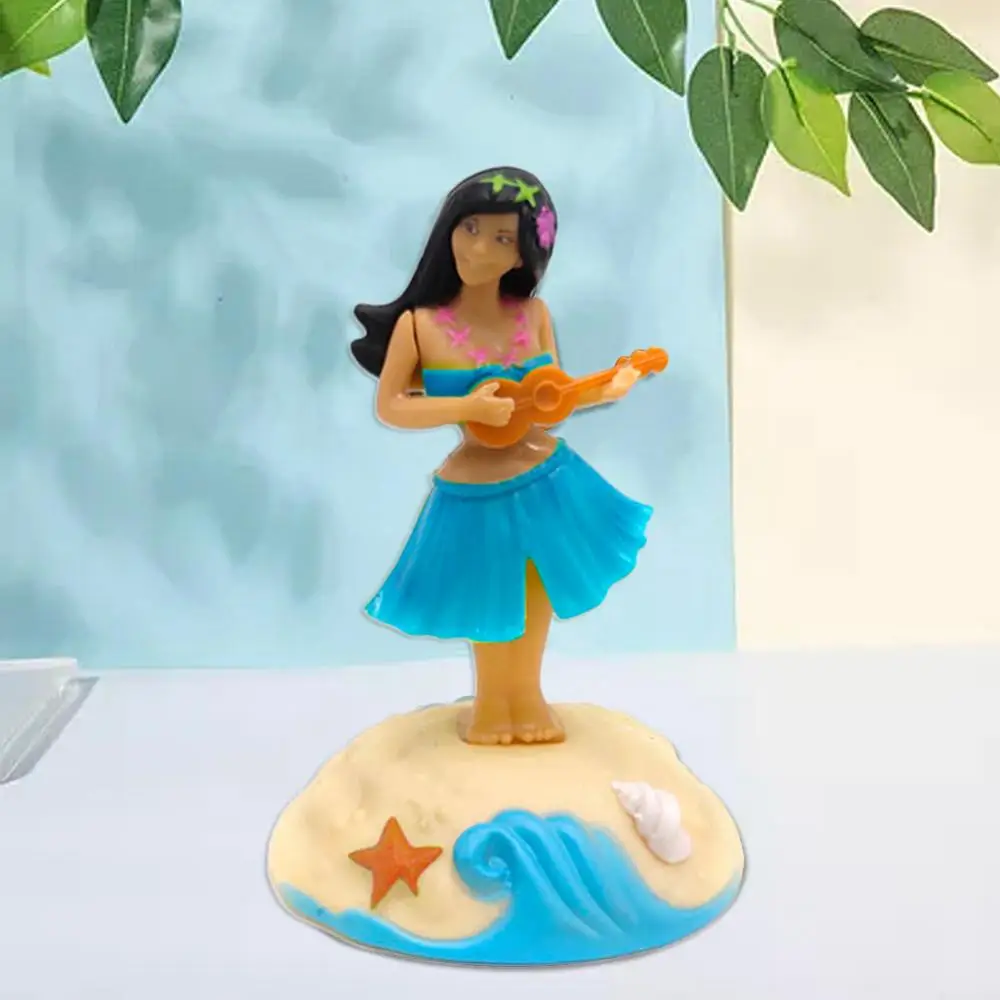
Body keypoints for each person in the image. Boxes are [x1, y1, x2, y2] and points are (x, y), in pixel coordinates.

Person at [351, 166, 652, 746]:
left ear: (523, 255)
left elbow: (548, 402)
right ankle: (493, 703)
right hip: (476, 487)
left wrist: (605, 389)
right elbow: (392, 406)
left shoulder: (532, 316)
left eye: (501, 238)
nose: (478, 248)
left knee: (537, 589)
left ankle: (527, 695)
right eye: (469, 228)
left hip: (544, 477)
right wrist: (466, 407)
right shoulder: (420, 326)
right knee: (491, 593)